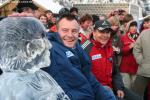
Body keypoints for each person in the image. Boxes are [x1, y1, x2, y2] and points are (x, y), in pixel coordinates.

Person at [42, 14, 116, 100]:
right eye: (65, 30)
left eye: (74, 31)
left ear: (78, 32)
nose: (70, 35)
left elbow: (89, 77)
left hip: (94, 92)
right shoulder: (50, 49)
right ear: (57, 30)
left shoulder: (77, 48)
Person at [0, 17, 69, 100]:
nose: (49, 45)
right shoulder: (12, 86)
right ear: (24, 47)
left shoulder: (40, 75)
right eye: (42, 38)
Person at [82, 20, 142, 100]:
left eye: (107, 32)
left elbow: (115, 71)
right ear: (94, 32)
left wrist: (118, 87)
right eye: (102, 32)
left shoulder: (110, 47)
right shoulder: (85, 48)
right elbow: (81, 75)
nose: (105, 35)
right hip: (96, 91)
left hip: (112, 87)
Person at [120, 21, 139, 90]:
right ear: (128, 27)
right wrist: (129, 47)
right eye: (132, 26)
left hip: (136, 67)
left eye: (135, 26)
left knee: (135, 88)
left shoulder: (140, 37)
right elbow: (120, 51)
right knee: (126, 87)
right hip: (125, 67)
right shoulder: (123, 37)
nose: (134, 28)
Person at [132, 29, 150, 99]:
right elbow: (136, 49)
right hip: (144, 70)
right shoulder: (144, 33)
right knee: (135, 95)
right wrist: (141, 61)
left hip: (144, 68)